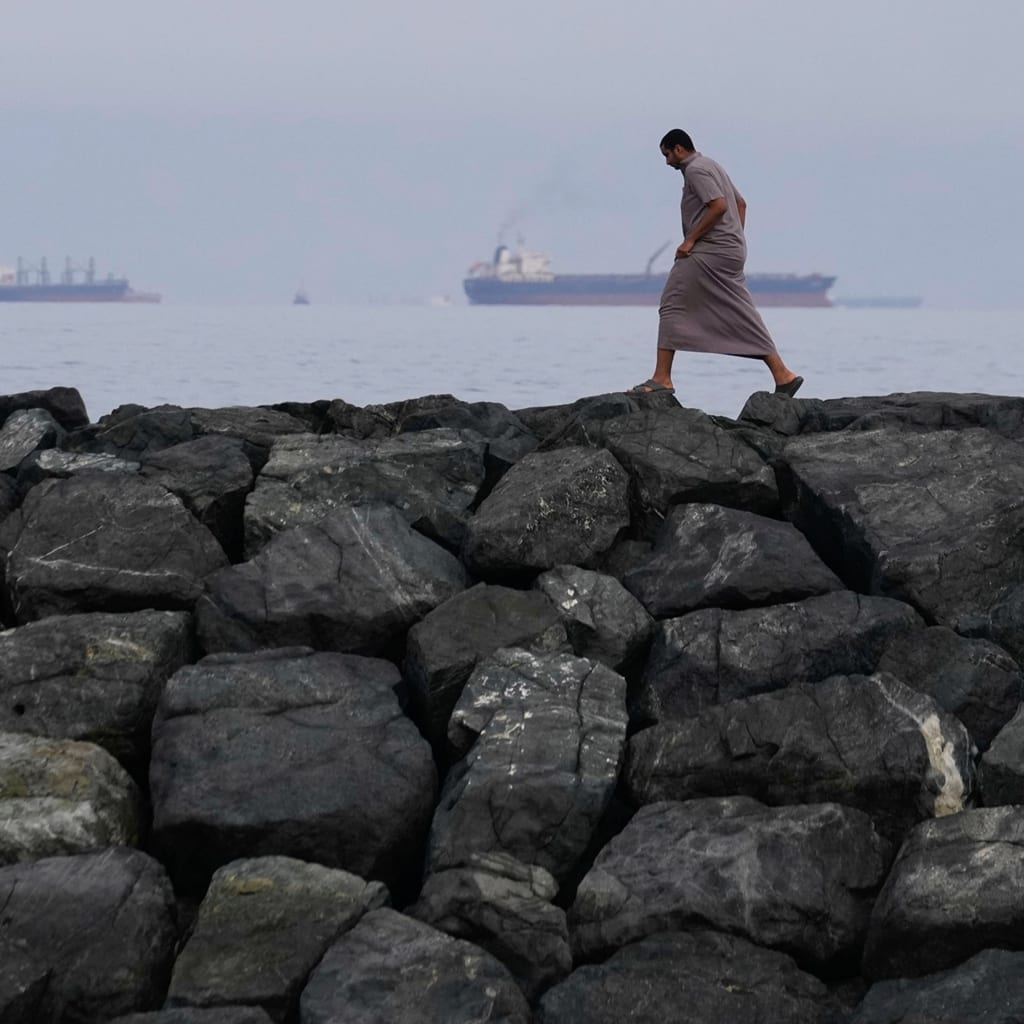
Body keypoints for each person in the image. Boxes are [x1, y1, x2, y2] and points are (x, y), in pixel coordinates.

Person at [629, 129, 803, 397]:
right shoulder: (712, 164)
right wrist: (734, 240)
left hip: (708, 251)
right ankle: (783, 374)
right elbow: (741, 204)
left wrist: (690, 241)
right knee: (741, 311)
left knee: (672, 302)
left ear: (678, 149)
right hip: (729, 251)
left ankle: (662, 378)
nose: (667, 163)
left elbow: (720, 205)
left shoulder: (695, 170)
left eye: (667, 155)